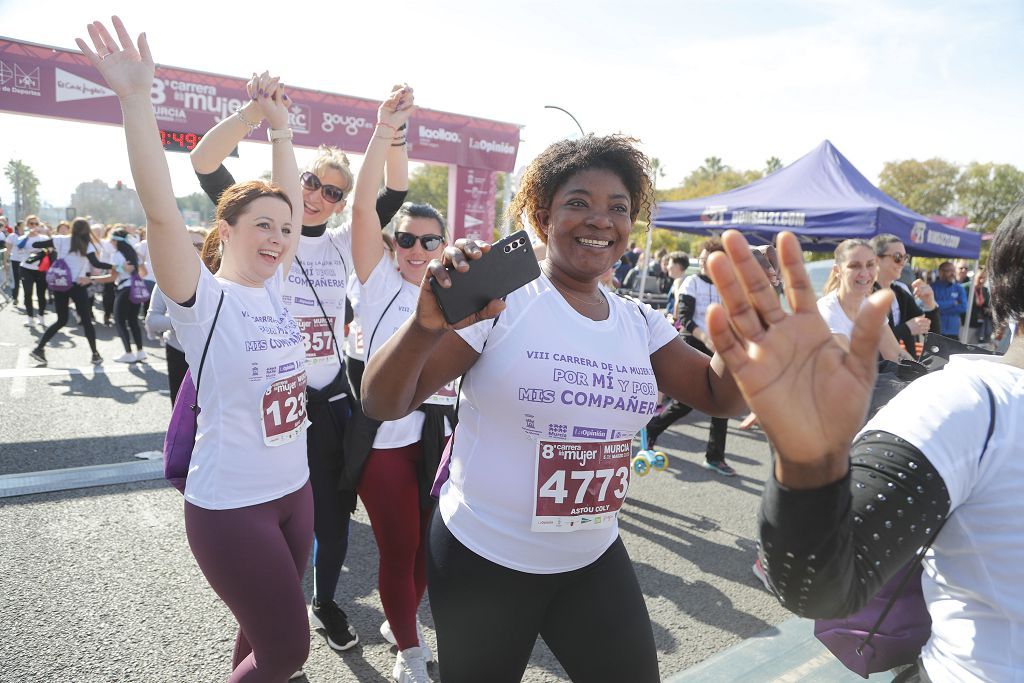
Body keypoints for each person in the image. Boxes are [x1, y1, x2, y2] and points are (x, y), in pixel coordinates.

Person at [360, 134, 746, 683]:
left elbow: (716, 395)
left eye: (619, 209)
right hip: (484, 556)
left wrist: (739, 347)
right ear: (543, 215)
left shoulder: (639, 321)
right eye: (579, 202)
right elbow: (383, 400)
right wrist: (425, 327)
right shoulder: (502, 301)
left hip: (592, 556)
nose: (601, 220)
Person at [77, 18, 310, 681]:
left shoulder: (280, 287)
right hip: (232, 507)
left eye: (285, 229)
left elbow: (289, 194)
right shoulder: (201, 299)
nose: (276, 237)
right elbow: (159, 213)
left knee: (261, 637)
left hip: (297, 492)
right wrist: (134, 100)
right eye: (261, 225)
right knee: (290, 651)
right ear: (226, 230)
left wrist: (280, 128)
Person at [703, 215, 1024, 682]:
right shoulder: (969, 404)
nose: (870, 271)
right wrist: (811, 462)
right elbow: (819, 586)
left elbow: (898, 356)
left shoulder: (895, 313)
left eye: (880, 263)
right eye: (864, 263)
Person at [190, 77, 408, 656]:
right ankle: (272, 631)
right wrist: (254, 115)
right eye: (312, 182)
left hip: (329, 393)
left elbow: (389, 190)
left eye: (333, 193)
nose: (318, 197)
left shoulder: (342, 240)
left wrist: (393, 131)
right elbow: (204, 161)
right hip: (259, 392)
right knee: (267, 524)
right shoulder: (264, 216)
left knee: (327, 518)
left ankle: (324, 602)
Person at [349, 85, 450, 683]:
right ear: (392, 243)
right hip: (384, 437)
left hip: (438, 435)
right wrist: (386, 131)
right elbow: (364, 208)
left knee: (427, 551)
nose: (416, 248)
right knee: (399, 544)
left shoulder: (449, 289)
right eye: (406, 238)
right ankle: (409, 653)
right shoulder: (377, 279)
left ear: (442, 246)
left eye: (428, 240)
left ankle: (401, 619)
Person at [646, 238, 736, 475]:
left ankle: (715, 456)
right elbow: (684, 316)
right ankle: (653, 428)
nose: (705, 263)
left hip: (719, 349)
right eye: (703, 259)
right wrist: (706, 339)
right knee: (685, 402)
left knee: (722, 402)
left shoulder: (727, 286)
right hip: (693, 342)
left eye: (711, 259)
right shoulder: (691, 282)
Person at [28, 218, 114, 366]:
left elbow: (36, 244)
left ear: (73, 228)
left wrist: (46, 243)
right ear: (87, 230)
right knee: (87, 321)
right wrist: (115, 266)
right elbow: (96, 263)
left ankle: (39, 348)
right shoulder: (87, 245)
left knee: (61, 320)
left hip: (60, 284)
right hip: (76, 285)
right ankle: (95, 354)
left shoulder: (60, 240)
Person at [145, 228, 208, 404]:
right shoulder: (167, 278)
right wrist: (185, 320)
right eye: (187, 245)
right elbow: (152, 321)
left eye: (199, 245)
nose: (194, 250)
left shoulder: (220, 279)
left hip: (213, 355)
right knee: (182, 414)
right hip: (178, 352)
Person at [817, 238, 905, 361]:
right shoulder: (827, 311)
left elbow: (895, 354)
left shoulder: (871, 307)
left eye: (870, 265)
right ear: (838, 271)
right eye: (855, 266)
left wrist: (927, 375)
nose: (864, 273)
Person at [870, 234, 939, 358]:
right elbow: (870, 342)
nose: (902, 263)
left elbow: (933, 335)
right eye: (897, 257)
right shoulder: (865, 294)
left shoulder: (900, 290)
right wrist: (906, 329)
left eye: (905, 257)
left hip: (900, 369)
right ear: (876, 259)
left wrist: (930, 305)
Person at [108, 227, 147, 363]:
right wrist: (134, 277)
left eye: (111, 239)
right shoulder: (134, 253)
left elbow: (112, 277)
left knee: (119, 321)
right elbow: (144, 272)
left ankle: (128, 353)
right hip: (135, 288)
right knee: (133, 320)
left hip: (124, 289)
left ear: (115, 241)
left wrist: (92, 279)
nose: (110, 242)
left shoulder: (116, 254)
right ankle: (140, 351)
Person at [18, 216, 51, 327]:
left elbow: (49, 250)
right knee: (28, 294)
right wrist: (28, 237)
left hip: (40, 269)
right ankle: (30, 318)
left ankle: (41, 317)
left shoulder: (44, 238)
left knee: (41, 294)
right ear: (27, 225)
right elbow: (19, 248)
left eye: (36, 224)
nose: (34, 226)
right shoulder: (23, 238)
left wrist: (42, 253)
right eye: (31, 224)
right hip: (26, 268)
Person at [931, 261, 968, 338]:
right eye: (948, 271)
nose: (952, 273)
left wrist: (941, 310)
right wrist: (953, 302)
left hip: (953, 332)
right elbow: (932, 306)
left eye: (953, 271)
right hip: (936, 330)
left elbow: (963, 307)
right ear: (940, 272)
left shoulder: (959, 288)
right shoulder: (932, 288)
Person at [966, 267, 992, 347]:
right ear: (974, 277)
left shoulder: (985, 290)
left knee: (975, 348)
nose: (982, 281)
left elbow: (987, 304)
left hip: (980, 325)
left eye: (984, 278)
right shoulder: (966, 288)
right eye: (980, 278)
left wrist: (988, 309)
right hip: (966, 324)